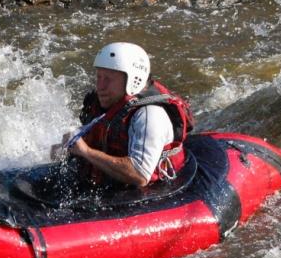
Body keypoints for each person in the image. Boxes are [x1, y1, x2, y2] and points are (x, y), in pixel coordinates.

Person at [52, 42, 194, 189]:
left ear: (134, 79)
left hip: (154, 189)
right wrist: (64, 149)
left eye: (108, 79)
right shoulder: (102, 102)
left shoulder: (149, 115)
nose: (100, 87)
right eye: (99, 77)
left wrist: (86, 152)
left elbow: (140, 175)